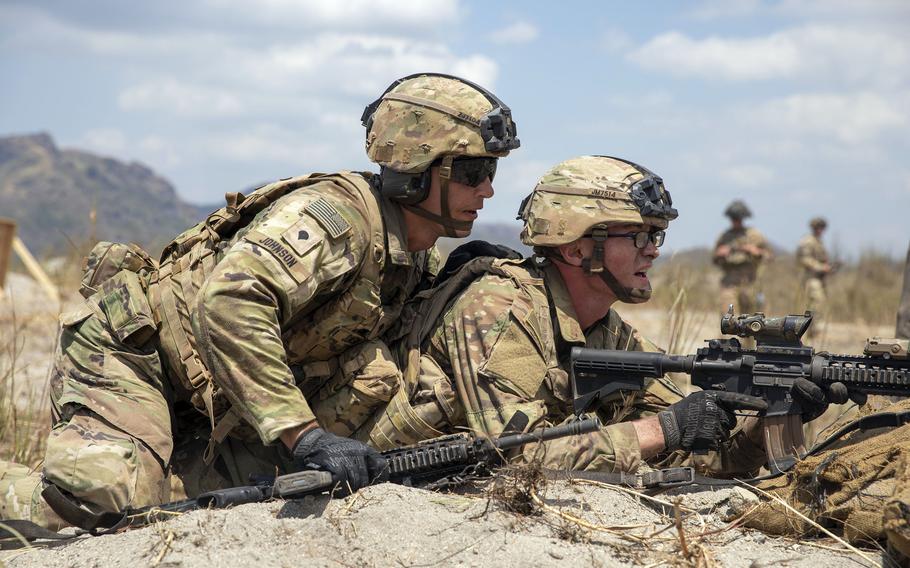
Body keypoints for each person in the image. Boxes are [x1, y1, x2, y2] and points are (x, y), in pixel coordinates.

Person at [0, 72, 520, 530]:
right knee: (107, 501)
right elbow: (231, 300)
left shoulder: (409, 258)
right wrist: (305, 436)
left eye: (490, 174)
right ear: (418, 169)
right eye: (473, 173)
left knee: (187, 507)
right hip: (136, 354)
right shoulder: (334, 220)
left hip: (216, 394)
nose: (487, 192)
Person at [355, 156, 835, 476]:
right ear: (578, 244)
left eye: (657, 237)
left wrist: (770, 414)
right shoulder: (498, 308)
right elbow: (513, 457)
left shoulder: (612, 336)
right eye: (640, 236)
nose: (652, 252)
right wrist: (660, 430)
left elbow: (701, 456)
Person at [712, 200, 772, 317]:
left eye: (738, 219)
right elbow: (715, 259)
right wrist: (719, 254)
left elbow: (769, 256)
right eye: (733, 219)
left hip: (750, 282)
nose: (736, 222)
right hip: (729, 282)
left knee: (751, 322)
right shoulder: (724, 236)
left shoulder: (754, 235)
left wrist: (756, 252)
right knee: (728, 319)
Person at [796, 217, 834, 338]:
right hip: (811, 279)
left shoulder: (818, 241)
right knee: (815, 304)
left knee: (819, 304)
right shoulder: (808, 241)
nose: (820, 230)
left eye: (822, 228)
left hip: (819, 279)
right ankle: (810, 330)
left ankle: (813, 330)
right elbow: (804, 259)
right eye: (818, 227)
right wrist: (821, 267)